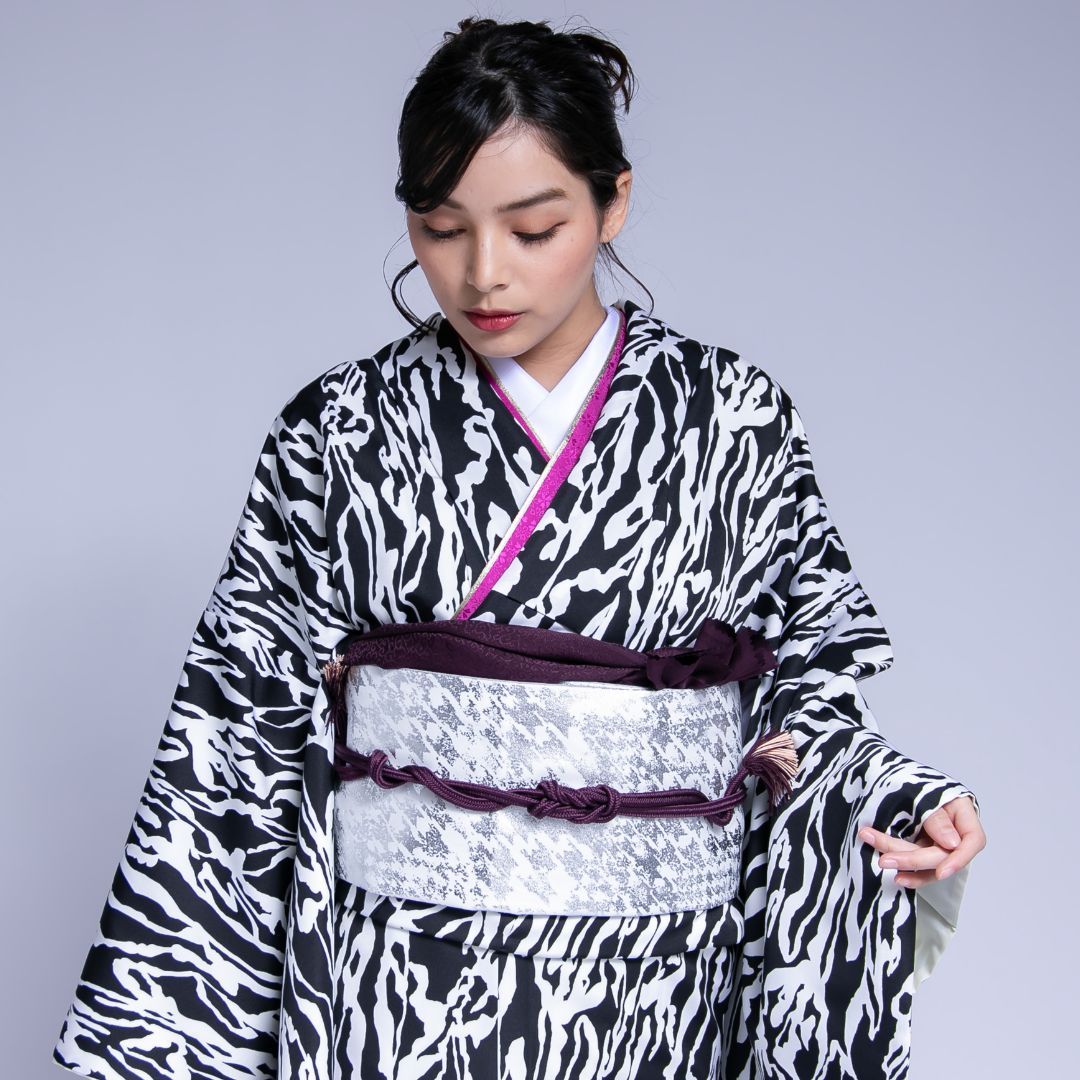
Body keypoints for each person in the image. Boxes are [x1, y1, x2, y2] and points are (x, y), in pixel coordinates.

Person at [52, 15, 985, 1080]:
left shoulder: (733, 420)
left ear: (613, 201)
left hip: (655, 989)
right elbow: (237, 730)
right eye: (441, 228)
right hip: (402, 982)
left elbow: (803, 688)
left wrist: (894, 793)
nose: (482, 275)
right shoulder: (339, 430)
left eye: (534, 229)